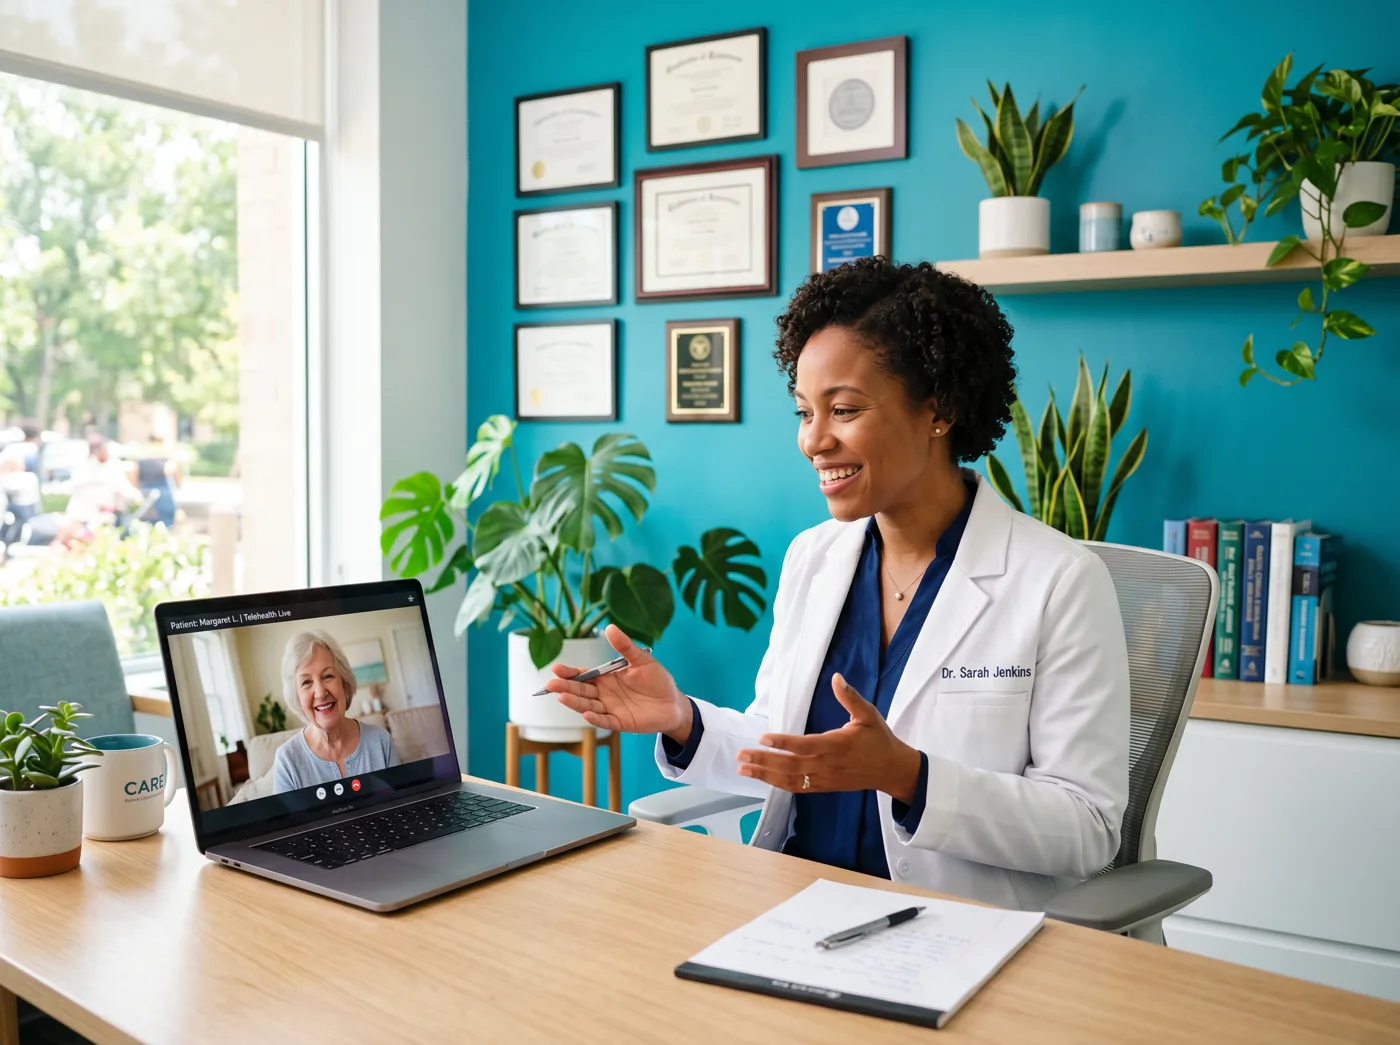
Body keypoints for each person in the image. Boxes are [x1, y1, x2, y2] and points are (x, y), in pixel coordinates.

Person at [547, 257, 1130, 911]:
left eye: (843, 409)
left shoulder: (1059, 581)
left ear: (937, 411)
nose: (813, 441)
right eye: (804, 412)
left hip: (953, 929)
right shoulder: (813, 557)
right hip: (794, 908)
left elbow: (1089, 828)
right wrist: (682, 719)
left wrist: (908, 776)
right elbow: (783, 745)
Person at [273, 631, 398, 793]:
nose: (320, 692)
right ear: (296, 697)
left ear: (344, 684)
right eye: (306, 682)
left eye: (327, 676)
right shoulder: (287, 761)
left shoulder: (381, 741)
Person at [135, 438, 182, 527]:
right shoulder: (169, 462)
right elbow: (178, 484)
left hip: (146, 499)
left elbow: (135, 484)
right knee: (167, 528)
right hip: (164, 500)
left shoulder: (140, 463)